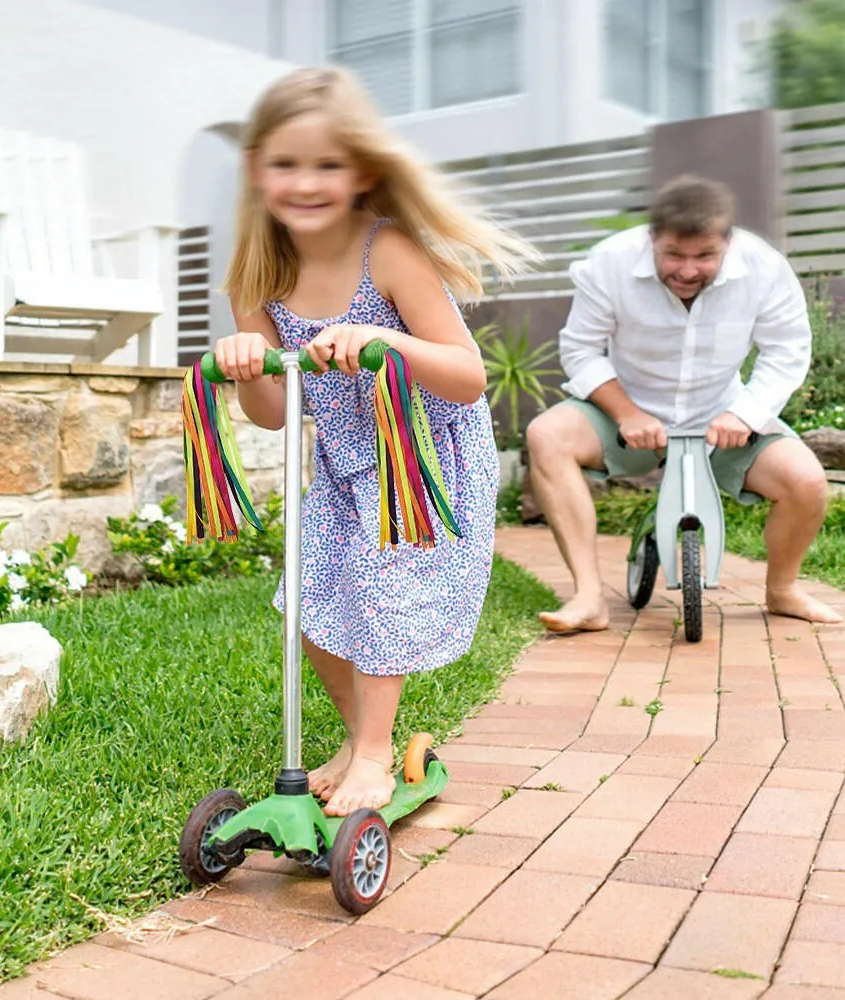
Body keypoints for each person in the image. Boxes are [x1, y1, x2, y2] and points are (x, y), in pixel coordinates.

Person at [211, 66, 536, 817]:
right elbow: (270, 413)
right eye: (285, 163)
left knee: (384, 593)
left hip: (422, 459)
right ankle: (359, 738)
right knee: (308, 599)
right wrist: (244, 365)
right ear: (257, 168)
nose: (305, 182)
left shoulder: (387, 252)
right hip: (344, 461)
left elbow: (466, 375)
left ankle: (376, 756)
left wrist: (385, 339)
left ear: (362, 170)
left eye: (327, 164)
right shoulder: (255, 276)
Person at [527, 174, 842, 633]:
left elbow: (787, 350)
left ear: (728, 243)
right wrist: (627, 413)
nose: (688, 270)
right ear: (653, 238)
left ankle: (782, 590)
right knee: (546, 435)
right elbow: (580, 350)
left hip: (723, 419)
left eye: (705, 256)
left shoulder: (764, 267)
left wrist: (745, 414)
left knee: (808, 481)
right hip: (626, 416)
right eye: (674, 254)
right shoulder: (609, 263)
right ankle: (589, 596)